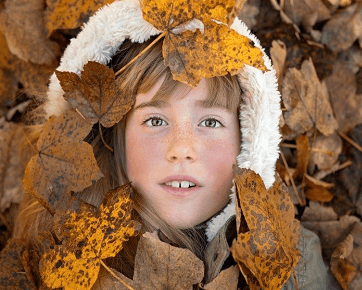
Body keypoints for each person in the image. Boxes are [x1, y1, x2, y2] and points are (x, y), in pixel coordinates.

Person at [2, 0, 327, 289]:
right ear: (113, 139)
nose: (182, 148)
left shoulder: (291, 263)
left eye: (210, 122)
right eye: (155, 121)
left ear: (248, 143)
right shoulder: (60, 259)